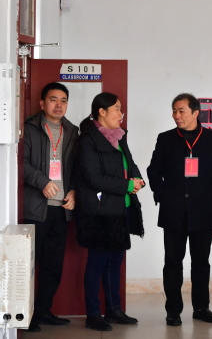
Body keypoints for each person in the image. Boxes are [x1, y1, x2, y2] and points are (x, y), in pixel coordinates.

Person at [147, 93, 212, 327]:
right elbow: (154, 170)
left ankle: (201, 308)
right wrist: (162, 194)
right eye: (174, 111)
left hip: (202, 210)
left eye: (181, 111)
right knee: (173, 263)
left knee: (201, 263)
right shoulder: (166, 139)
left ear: (195, 112)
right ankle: (173, 311)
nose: (176, 115)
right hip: (173, 211)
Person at [75, 92, 144, 332]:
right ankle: (93, 314)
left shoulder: (119, 136)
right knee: (97, 263)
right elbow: (93, 178)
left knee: (115, 262)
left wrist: (137, 179)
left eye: (121, 108)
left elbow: (130, 163)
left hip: (121, 209)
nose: (121, 113)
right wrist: (127, 185)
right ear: (102, 112)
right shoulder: (88, 140)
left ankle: (114, 309)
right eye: (116, 109)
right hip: (100, 213)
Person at [23, 82, 78, 333]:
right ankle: (26, 315)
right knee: (29, 265)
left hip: (61, 209)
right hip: (36, 208)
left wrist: (74, 191)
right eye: (53, 99)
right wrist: (42, 181)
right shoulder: (29, 129)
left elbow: (77, 168)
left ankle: (44, 311)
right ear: (42, 103)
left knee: (53, 264)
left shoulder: (73, 131)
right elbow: (20, 163)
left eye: (63, 100)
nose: (59, 105)